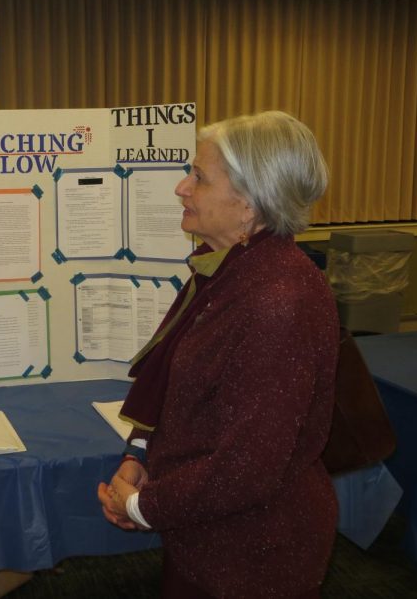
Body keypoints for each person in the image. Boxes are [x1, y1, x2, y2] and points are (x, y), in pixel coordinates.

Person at [98, 111, 340, 598]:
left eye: (200, 177)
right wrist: (141, 454)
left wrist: (144, 506)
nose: (182, 188)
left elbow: (249, 466)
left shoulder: (278, 297)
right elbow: (178, 385)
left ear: (250, 204)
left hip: (252, 554)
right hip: (211, 536)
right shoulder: (231, 270)